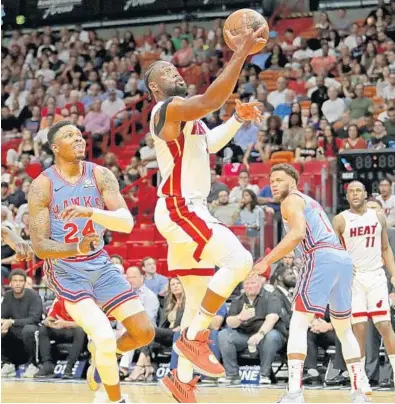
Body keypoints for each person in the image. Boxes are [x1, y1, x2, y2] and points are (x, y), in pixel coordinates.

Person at [144, 19, 266, 402]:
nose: (174, 73)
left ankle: (181, 381)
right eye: (165, 71)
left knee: (196, 301)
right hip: (181, 207)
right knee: (239, 260)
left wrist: (236, 119)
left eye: (175, 68)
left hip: (183, 210)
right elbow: (212, 99)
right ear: (154, 88)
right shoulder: (165, 110)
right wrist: (240, 53)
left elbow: (209, 144)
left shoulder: (188, 118)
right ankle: (197, 338)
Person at [28, 121, 155, 404]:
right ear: (54, 147)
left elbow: (126, 222)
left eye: (79, 134)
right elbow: (40, 246)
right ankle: (115, 399)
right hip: (66, 271)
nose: (78, 138)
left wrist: (91, 211)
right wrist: (76, 246)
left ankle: (103, 359)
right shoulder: (43, 186)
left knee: (144, 333)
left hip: (100, 264)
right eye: (68, 135)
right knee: (104, 336)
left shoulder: (100, 175)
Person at [251, 164, 368, 403]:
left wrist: (266, 261)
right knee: (344, 329)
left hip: (320, 256)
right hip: (341, 259)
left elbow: (297, 235)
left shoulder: (290, 200)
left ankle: (294, 392)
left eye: (279, 179)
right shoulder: (309, 201)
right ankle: (359, 392)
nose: (273, 184)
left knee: (298, 322)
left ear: (292, 182)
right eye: (271, 180)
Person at [333, 181, 395, 390]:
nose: (355, 194)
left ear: (366, 194)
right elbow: (333, 251)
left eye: (358, 190)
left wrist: (394, 275)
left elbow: (386, 249)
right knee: (358, 329)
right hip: (355, 279)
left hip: (376, 276)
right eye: (350, 191)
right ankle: (360, 379)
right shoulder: (340, 220)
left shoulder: (378, 217)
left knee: (384, 325)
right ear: (347, 196)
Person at [1, 270, 43, 378]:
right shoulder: (8, 296)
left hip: (32, 329)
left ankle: (32, 365)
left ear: (25, 283)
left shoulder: (33, 296)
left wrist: (12, 322)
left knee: (28, 330)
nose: (18, 283)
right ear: (10, 283)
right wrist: (3, 323)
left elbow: (35, 319)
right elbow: (3, 315)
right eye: (15, 281)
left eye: (21, 281)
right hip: (15, 329)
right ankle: (7, 364)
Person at [35, 298, 87, 379]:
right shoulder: (59, 299)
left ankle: (69, 367)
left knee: (80, 331)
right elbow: (49, 317)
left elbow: (86, 323)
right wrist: (49, 322)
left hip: (75, 330)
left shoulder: (84, 301)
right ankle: (47, 365)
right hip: (60, 329)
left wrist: (66, 324)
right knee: (43, 329)